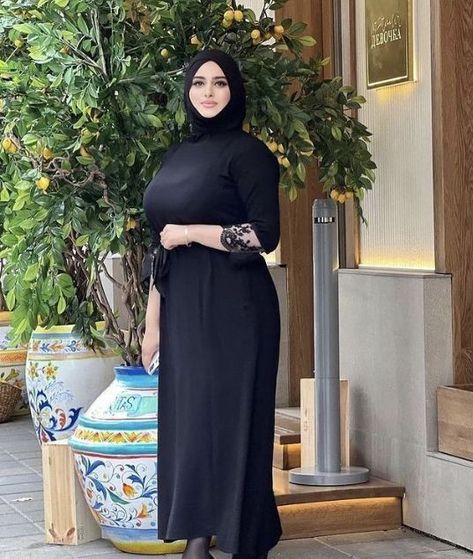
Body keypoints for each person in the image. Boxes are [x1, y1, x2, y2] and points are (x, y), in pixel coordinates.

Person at [142, 49, 282, 559]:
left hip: (235, 309)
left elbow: (264, 234)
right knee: (191, 422)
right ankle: (200, 535)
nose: (208, 92)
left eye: (219, 83)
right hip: (182, 308)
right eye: (199, 82)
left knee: (230, 420)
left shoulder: (249, 154)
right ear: (187, 91)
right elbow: (160, 245)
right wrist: (152, 322)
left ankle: (227, 540)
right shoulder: (177, 155)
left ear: (234, 91)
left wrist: (192, 233)